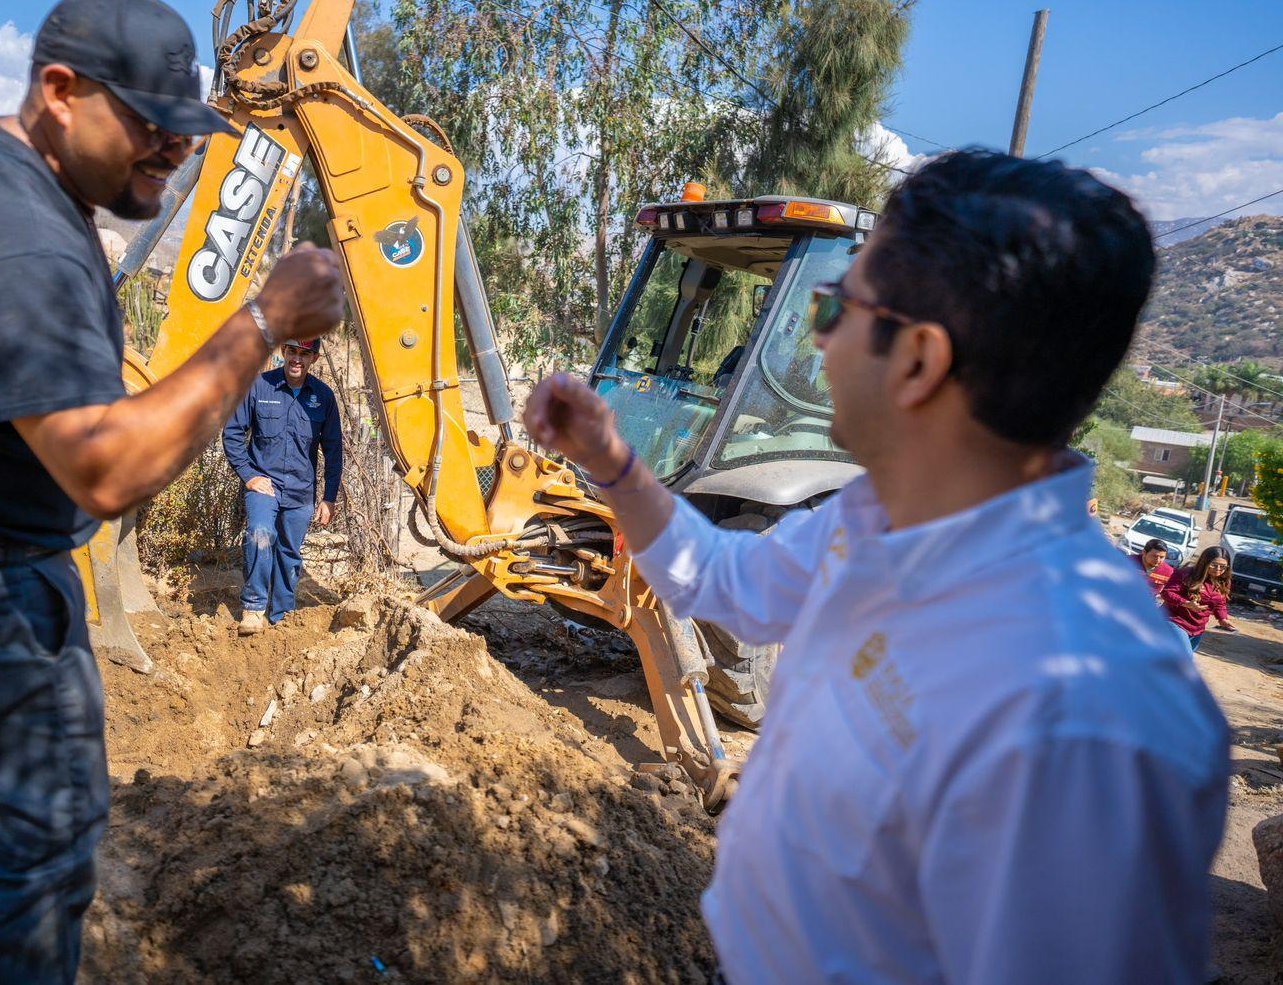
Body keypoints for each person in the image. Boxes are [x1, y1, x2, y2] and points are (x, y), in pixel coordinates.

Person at [523, 150, 1229, 983]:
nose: (819, 345)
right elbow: (714, 580)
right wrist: (612, 461)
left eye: (832, 311)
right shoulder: (869, 523)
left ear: (918, 361)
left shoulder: (1084, 718)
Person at [0, 0, 343, 984]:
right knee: (34, 841)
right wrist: (264, 317)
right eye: (154, 126)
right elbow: (107, 464)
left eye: (189, 132)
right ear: (60, 92)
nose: (178, 149)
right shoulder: (12, 231)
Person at [222, 337, 343, 632]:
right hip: (265, 485)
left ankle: (281, 615)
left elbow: (333, 448)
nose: (297, 359)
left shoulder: (323, 397)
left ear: (314, 358)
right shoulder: (259, 387)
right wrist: (249, 475)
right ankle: (253, 608)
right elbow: (233, 433)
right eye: (292, 352)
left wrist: (328, 497)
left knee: (289, 552)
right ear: (282, 352)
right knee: (260, 534)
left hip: (301, 491)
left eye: (304, 353)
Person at [1165, 546, 1237, 650]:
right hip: (1175, 621)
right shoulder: (1185, 574)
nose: (1218, 569)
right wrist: (1186, 603)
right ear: (1204, 563)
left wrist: (1222, 619)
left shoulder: (1224, 581)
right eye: (1213, 565)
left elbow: (1220, 603)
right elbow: (1168, 592)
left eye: (1223, 566)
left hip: (1198, 628)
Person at [1132, 537, 1174, 602]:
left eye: (1162, 557)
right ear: (1144, 552)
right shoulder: (1128, 561)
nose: (1158, 560)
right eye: (1154, 556)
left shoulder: (1169, 572)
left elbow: (1168, 592)